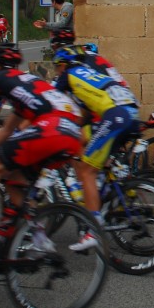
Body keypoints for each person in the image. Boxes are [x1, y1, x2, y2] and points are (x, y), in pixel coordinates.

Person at [0, 44, 82, 256]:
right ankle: (38, 236)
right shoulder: (24, 83)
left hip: (53, 128)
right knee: (14, 178)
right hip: (72, 133)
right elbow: (6, 131)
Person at [52, 45, 140, 250]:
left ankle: (93, 228)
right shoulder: (89, 74)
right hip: (131, 112)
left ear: (62, 65)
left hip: (116, 115)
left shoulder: (68, 74)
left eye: (57, 68)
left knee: (86, 170)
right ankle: (112, 181)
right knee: (92, 151)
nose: (57, 72)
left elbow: (51, 103)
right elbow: (83, 114)